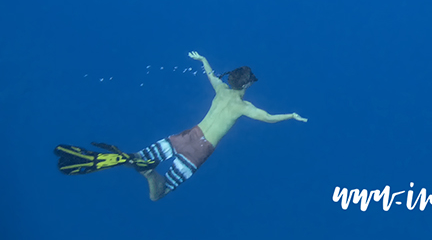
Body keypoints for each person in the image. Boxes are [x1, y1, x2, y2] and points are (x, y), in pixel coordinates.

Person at [54, 52, 306, 201]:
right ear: (247, 85)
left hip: (188, 135)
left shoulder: (220, 90)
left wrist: (202, 59)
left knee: (140, 156)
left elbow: (210, 74)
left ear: (231, 80)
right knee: (158, 194)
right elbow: (268, 117)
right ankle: (148, 173)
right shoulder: (244, 107)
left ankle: (135, 161)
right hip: (200, 151)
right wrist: (291, 116)